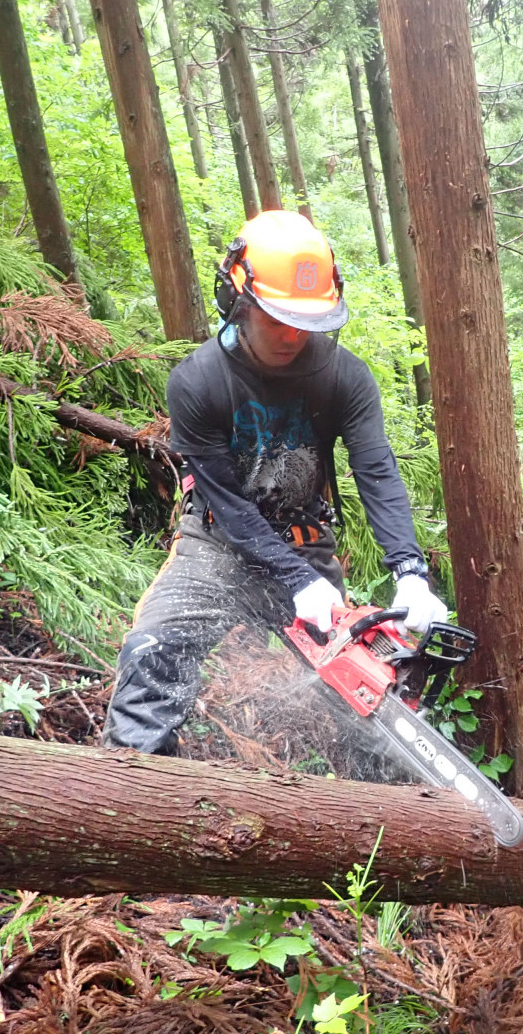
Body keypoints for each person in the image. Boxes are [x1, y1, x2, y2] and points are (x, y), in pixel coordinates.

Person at [101, 210, 448, 754]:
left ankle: (388, 808)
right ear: (238, 303)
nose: (293, 335)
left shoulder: (345, 377)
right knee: (154, 647)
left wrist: (409, 569)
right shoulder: (197, 383)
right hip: (215, 544)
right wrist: (294, 581)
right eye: (277, 319)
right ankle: (140, 794)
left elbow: (375, 470)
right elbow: (227, 505)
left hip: (304, 543)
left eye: (306, 322)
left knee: (363, 684)